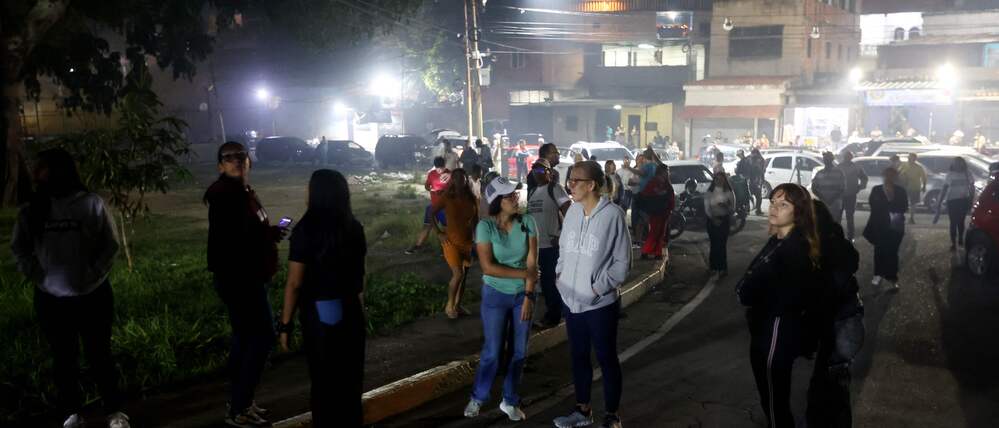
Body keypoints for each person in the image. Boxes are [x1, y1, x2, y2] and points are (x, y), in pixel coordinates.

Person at [11, 148, 131, 428]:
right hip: (51, 298)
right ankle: (72, 413)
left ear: (62, 170)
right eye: (38, 168)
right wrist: (38, 276)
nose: (38, 173)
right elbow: (20, 248)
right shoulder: (32, 209)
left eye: (43, 168)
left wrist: (94, 274)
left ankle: (114, 411)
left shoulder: (90, 203)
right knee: (64, 358)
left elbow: (109, 244)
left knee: (100, 354)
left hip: (94, 295)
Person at [276, 169, 366, 427]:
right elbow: (359, 278)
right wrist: (361, 311)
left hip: (321, 314)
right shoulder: (354, 227)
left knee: (325, 383)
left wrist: (285, 324)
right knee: (350, 381)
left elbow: (294, 283)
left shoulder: (306, 230)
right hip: (350, 311)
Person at [203, 142, 283, 427]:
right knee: (261, 338)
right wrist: (266, 236)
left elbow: (251, 232)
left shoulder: (244, 193)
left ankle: (240, 402)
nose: (236, 160)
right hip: (240, 278)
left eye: (241, 156)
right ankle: (238, 408)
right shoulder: (225, 195)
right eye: (228, 157)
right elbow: (238, 238)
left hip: (249, 275)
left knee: (245, 339)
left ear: (249, 161)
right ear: (220, 166)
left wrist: (269, 233)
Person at [554, 161, 632, 428]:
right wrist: (560, 278)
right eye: (570, 180)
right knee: (578, 357)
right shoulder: (573, 212)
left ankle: (612, 415)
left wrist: (596, 289)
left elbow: (622, 264)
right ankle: (582, 410)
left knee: (606, 358)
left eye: (576, 180)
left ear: (592, 185)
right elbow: (563, 251)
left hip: (600, 305)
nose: (570, 185)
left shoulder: (613, 215)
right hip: (571, 302)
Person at [737, 183, 821, 428]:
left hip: (777, 327)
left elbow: (785, 296)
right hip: (764, 325)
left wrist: (751, 294)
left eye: (783, 204)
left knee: (775, 398)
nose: (774, 208)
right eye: (773, 202)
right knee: (768, 395)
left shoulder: (795, 247)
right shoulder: (778, 240)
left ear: (799, 211)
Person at [463, 177, 539, 422]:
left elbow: (532, 263)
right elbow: (488, 267)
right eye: (509, 196)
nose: (516, 198)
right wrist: (526, 274)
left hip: (522, 296)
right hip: (495, 295)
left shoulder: (527, 222)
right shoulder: (485, 227)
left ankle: (509, 399)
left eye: (516, 193)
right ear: (497, 201)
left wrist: (528, 294)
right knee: (493, 352)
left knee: (519, 352)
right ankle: (478, 396)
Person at [806, 199, 863, 428]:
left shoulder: (824, 245)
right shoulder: (834, 238)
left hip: (842, 325)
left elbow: (824, 293)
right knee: (833, 387)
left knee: (830, 389)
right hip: (848, 322)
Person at [527, 162, 572, 329]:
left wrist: (562, 235)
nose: (536, 172)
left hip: (551, 246)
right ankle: (553, 312)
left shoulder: (554, 189)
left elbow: (569, 210)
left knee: (550, 282)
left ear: (548, 172)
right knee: (541, 284)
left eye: (540, 169)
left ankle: (554, 316)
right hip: (535, 246)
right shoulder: (532, 192)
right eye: (534, 169)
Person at [430, 169, 480, 319]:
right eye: (456, 178)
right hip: (450, 241)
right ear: (452, 180)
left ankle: (458, 305)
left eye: (462, 177)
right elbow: (431, 213)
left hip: (467, 242)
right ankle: (449, 305)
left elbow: (476, 220)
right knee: (458, 274)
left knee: (463, 276)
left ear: (466, 180)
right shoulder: (447, 196)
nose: (459, 180)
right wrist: (439, 232)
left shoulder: (471, 198)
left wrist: (477, 241)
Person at [863, 167, 908, 290]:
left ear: (895, 177)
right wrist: (888, 208)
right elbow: (873, 206)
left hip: (896, 226)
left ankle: (892, 277)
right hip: (879, 225)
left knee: (893, 252)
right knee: (879, 250)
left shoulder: (900, 191)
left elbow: (904, 207)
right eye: (887, 175)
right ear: (883, 176)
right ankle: (878, 274)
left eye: (892, 175)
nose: (889, 178)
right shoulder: (876, 190)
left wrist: (889, 208)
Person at [405, 157, 450, 254]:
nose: (440, 171)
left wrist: (444, 192)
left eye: (441, 168)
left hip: (445, 207)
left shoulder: (449, 174)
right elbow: (426, 185)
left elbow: (454, 189)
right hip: (433, 205)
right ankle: (417, 246)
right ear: (435, 167)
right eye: (438, 168)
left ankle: (446, 250)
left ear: (444, 166)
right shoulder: (432, 174)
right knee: (426, 226)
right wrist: (430, 189)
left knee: (446, 229)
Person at [635, 155, 673, 261]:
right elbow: (647, 195)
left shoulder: (664, 183)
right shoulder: (655, 182)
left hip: (663, 212)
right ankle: (646, 252)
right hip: (656, 212)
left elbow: (670, 197)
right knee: (655, 232)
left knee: (660, 233)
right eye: (666, 171)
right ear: (662, 172)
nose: (668, 173)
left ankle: (657, 252)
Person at [939, 157, 976, 250]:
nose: (957, 165)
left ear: (963, 164)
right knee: (953, 222)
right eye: (955, 163)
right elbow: (945, 188)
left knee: (961, 221)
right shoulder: (950, 174)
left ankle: (960, 238)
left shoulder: (967, 173)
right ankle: (953, 242)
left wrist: (971, 199)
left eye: (959, 163)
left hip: (963, 201)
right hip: (951, 201)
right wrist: (940, 201)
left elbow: (972, 187)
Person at [704, 172, 736, 276]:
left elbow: (733, 208)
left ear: (725, 180)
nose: (719, 181)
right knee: (714, 244)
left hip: (724, 220)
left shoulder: (729, 192)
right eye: (717, 179)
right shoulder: (710, 192)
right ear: (714, 180)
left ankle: (722, 268)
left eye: (721, 179)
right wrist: (713, 218)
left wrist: (726, 205)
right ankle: (713, 267)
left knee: (721, 245)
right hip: (712, 220)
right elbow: (707, 208)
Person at [838, 151, 868, 241]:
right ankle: (842, 236)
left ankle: (850, 236)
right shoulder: (839, 167)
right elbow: (864, 178)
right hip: (842, 195)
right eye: (846, 157)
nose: (847, 158)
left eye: (848, 157)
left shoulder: (855, 167)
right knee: (841, 217)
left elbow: (864, 178)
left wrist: (859, 187)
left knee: (848, 216)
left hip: (850, 195)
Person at [811, 151, 847, 222]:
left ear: (831, 159)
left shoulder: (839, 172)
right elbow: (814, 188)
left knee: (833, 225)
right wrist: (825, 199)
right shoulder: (820, 173)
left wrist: (828, 199)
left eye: (827, 159)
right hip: (826, 204)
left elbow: (842, 189)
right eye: (825, 159)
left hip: (834, 204)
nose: (826, 160)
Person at [897, 153, 926, 224]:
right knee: (903, 202)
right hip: (905, 187)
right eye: (909, 158)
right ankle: (901, 216)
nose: (910, 159)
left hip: (915, 187)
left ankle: (911, 218)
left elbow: (924, 177)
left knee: (913, 203)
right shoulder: (904, 165)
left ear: (915, 159)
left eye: (912, 158)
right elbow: (898, 173)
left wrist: (924, 186)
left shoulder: (919, 167)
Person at [748, 149, 768, 215]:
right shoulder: (752, 159)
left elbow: (762, 170)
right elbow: (762, 170)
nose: (753, 155)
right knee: (756, 196)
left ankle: (757, 209)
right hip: (754, 181)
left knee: (757, 196)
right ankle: (756, 209)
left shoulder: (759, 160)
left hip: (756, 181)